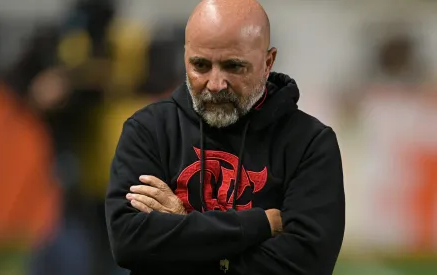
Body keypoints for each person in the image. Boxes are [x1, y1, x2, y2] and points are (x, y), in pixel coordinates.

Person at [105, 0, 345, 274]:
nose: (216, 84)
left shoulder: (310, 143)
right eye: (200, 65)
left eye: (233, 66)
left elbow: (305, 265)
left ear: (268, 63)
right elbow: (128, 243)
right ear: (185, 57)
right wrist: (259, 226)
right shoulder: (148, 130)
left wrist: (183, 228)